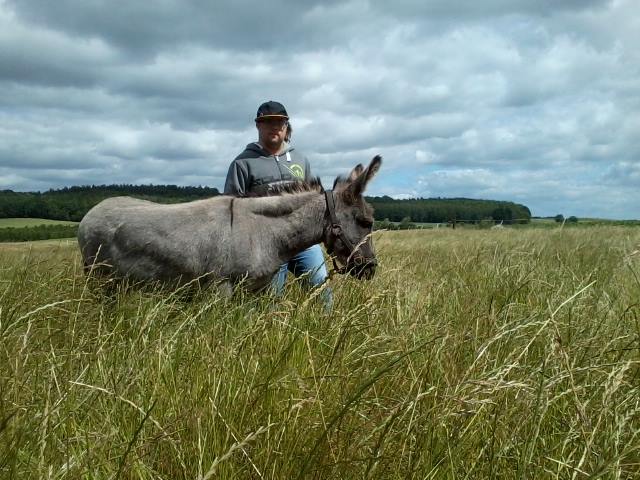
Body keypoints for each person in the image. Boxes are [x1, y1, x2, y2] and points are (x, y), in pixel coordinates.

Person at [224, 100, 332, 308]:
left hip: (305, 243)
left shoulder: (300, 160)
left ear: (286, 126)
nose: (274, 127)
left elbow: (314, 201)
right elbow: (232, 209)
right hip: (267, 246)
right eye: (268, 122)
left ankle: (327, 330)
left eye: (279, 122)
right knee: (270, 300)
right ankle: (273, 338)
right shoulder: (242, 163)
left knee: (320, 289)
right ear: (258, 125)